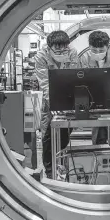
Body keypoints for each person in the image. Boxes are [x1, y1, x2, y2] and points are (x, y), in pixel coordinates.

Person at [34, 30, 79, 177]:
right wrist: (55, 102)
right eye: (57, 50)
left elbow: (76, 75)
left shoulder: (72, 51)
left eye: (64, 49)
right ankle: (49, 170)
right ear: (49, 48)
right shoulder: (41, 57)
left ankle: (61, 164)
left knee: (66, 131)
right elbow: (45, 83)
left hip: (68, 97)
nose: (61, 52)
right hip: (50, 98)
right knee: (48, 134)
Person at [79, 30, 110, 150]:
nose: (97, 53)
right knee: (98, 133)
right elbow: (85, 81)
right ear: (89, 47)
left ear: (108, 47)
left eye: (101, 50)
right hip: (96, 98)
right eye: (94, 50)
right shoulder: (85, 57)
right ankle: (98, 163)